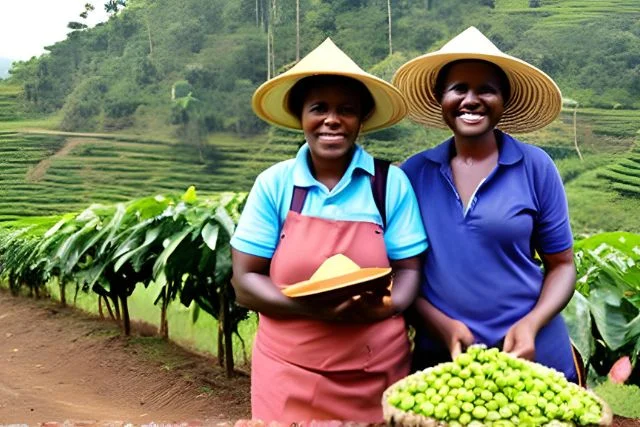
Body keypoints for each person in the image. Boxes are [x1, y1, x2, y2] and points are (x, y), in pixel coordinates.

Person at [230, 38, 428, 423]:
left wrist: (387, 305)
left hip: (376, 373)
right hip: (288, 372)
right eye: (318, 108)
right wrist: (312, 308)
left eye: (346, 110)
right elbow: (245, 279)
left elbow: (410, 270)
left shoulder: (390, 184)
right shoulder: (275, 185)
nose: (332, 120)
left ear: (361, 119)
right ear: (301, 116)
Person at [393, 27, 583, 385]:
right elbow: (403, 272)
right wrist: (442, 326)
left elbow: (562, 265)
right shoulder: (414, 174)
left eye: (486, 89)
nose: (471, 99)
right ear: (441, 99)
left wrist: (531, 323)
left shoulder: (535, 167)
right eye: (459, 88)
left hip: (533, 355)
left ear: (504, 101)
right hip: (444, 362)